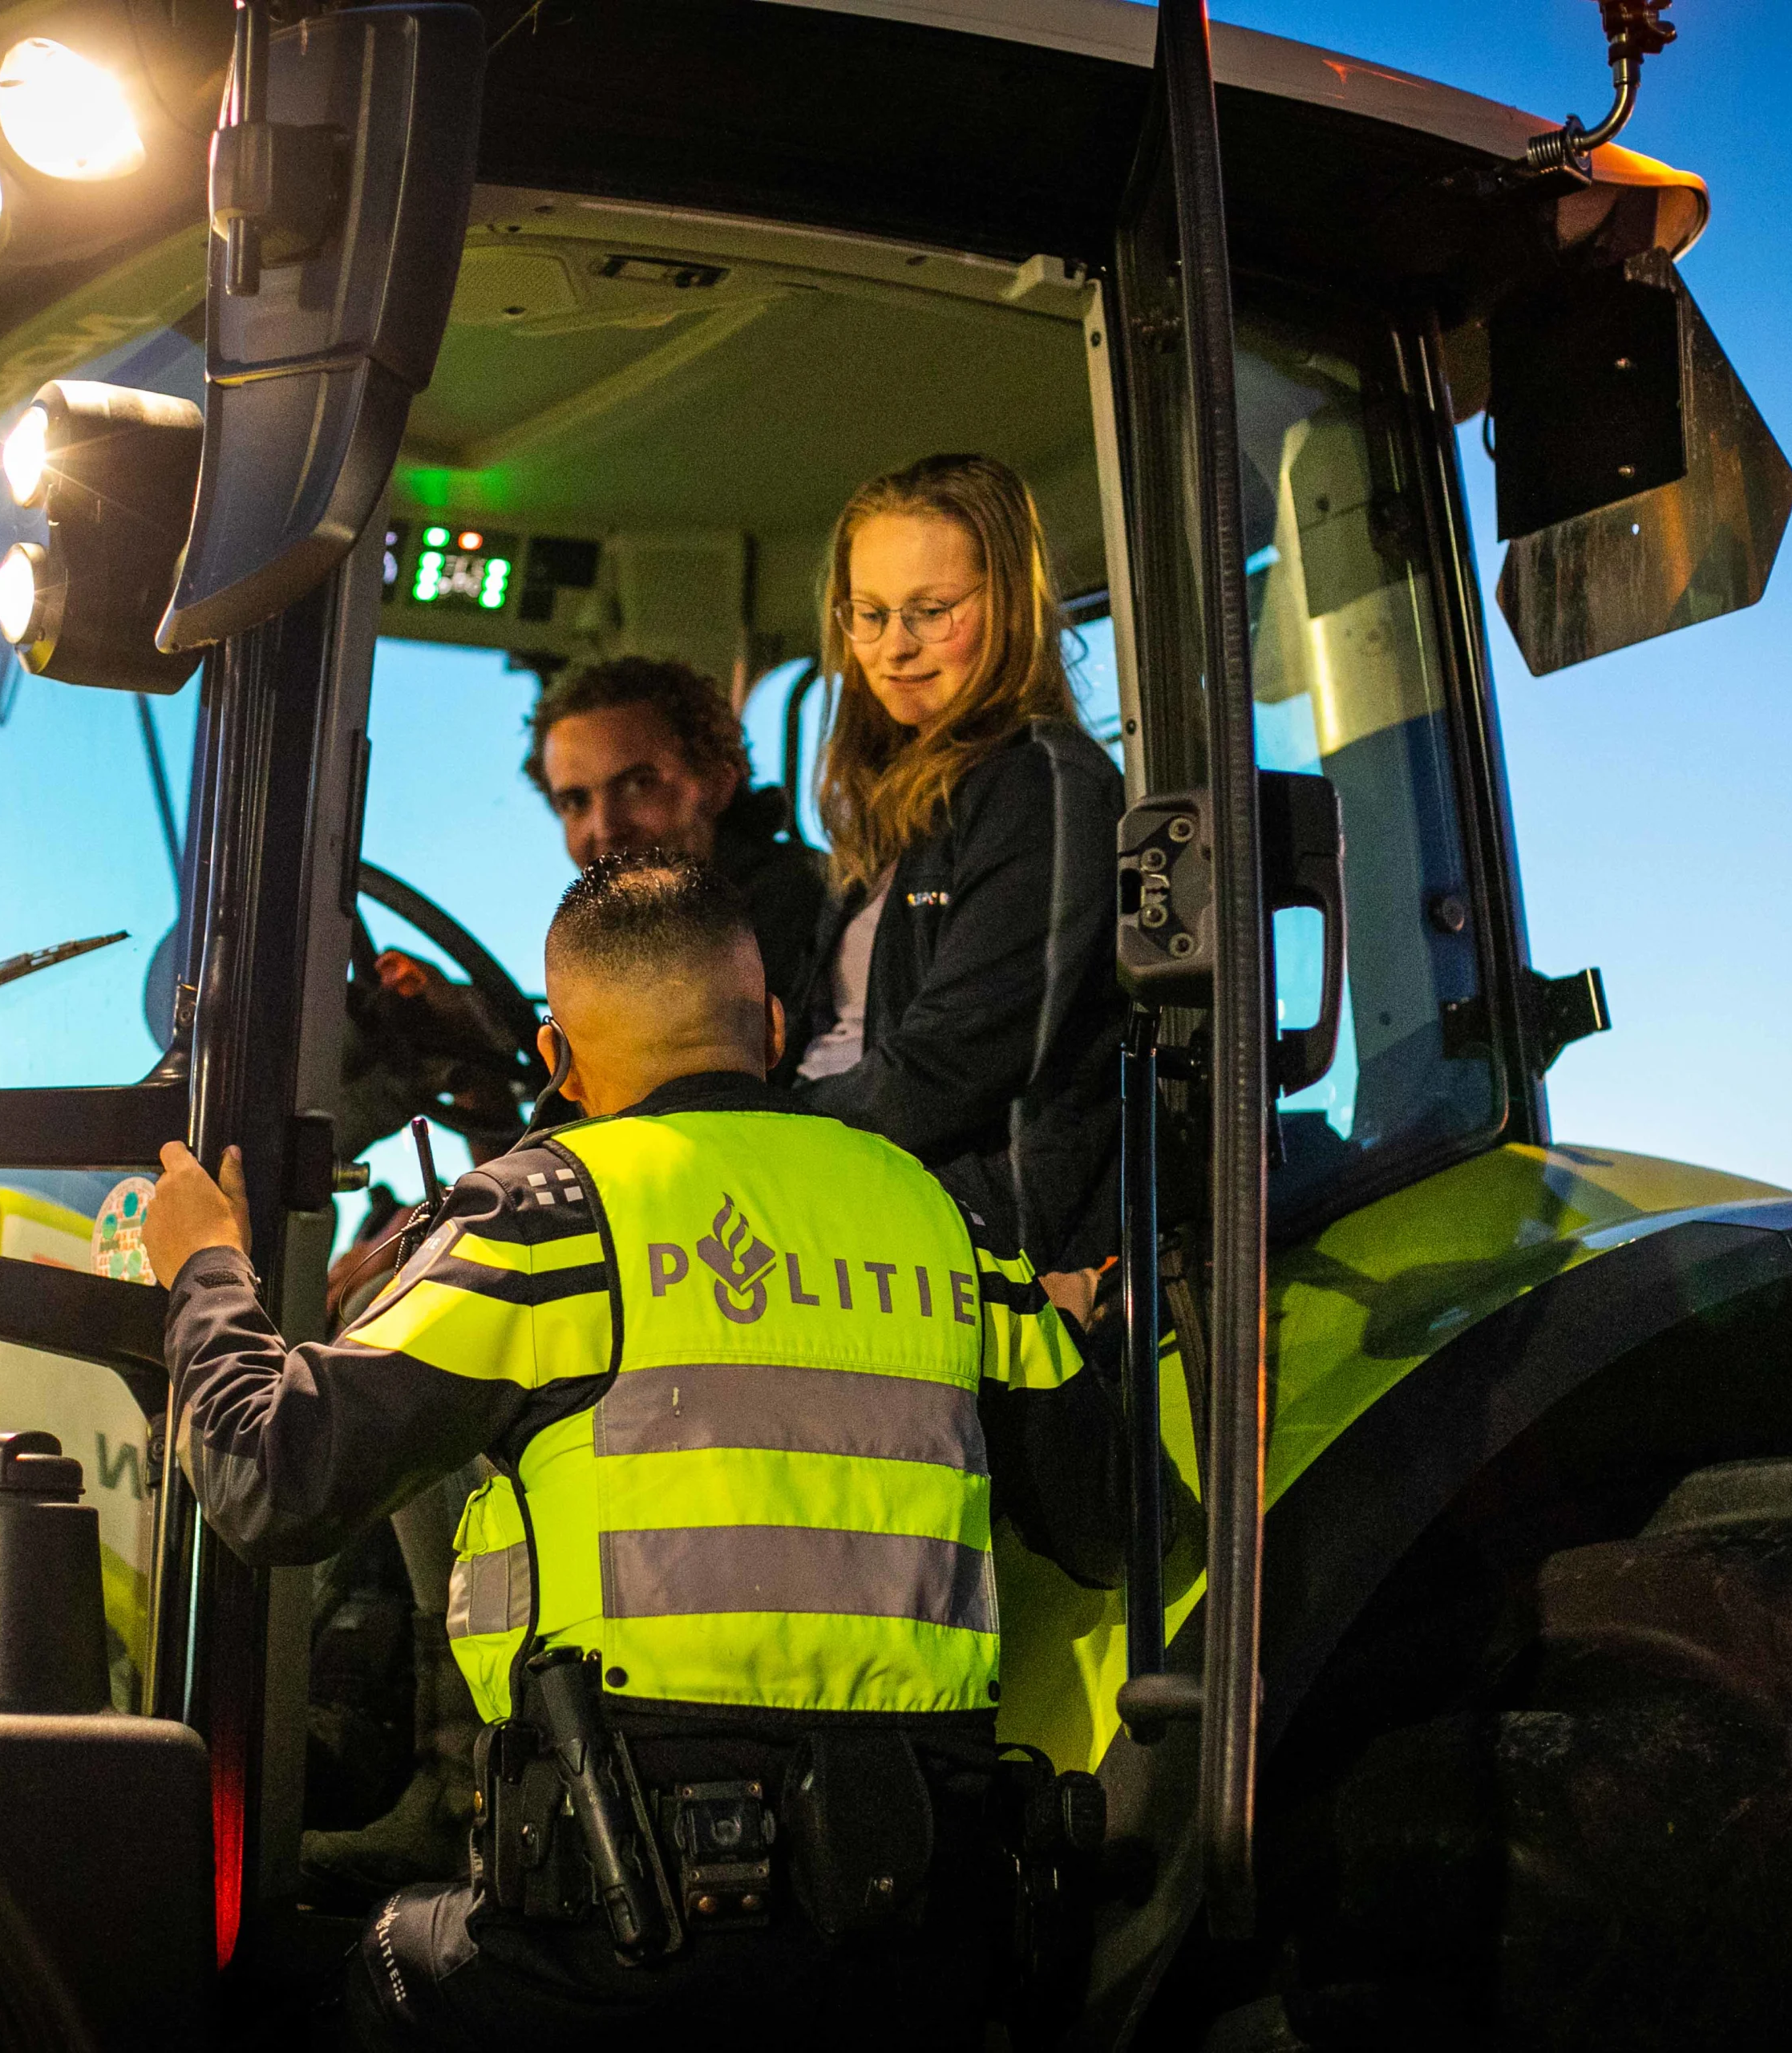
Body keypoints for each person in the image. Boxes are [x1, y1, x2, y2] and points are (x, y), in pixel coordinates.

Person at [146, 852, 1125, 2051]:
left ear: (556, 1059)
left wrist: (204, 1269)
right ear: (769, 1027)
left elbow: (266, 1478)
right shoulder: (949, 1230)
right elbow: (1113, 1523)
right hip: (921, 1951)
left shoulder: (546, 1222)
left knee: (353, 1971)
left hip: (618, 1943)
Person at [785, 453, 1126, 1300]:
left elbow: (953, 1067)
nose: (894, 647)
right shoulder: (886, 813)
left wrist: (756, 1128)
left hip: (977, 1252)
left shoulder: (1044, 786)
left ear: (1006, 604)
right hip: (853, 1211)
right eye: (868, 613)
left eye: (931, 612)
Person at [526, 655, 827, 1004]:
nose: (606, 828)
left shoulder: (794, 912)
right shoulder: (640, 927)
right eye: (576, 802)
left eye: (638, 785)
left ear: (717, 783)